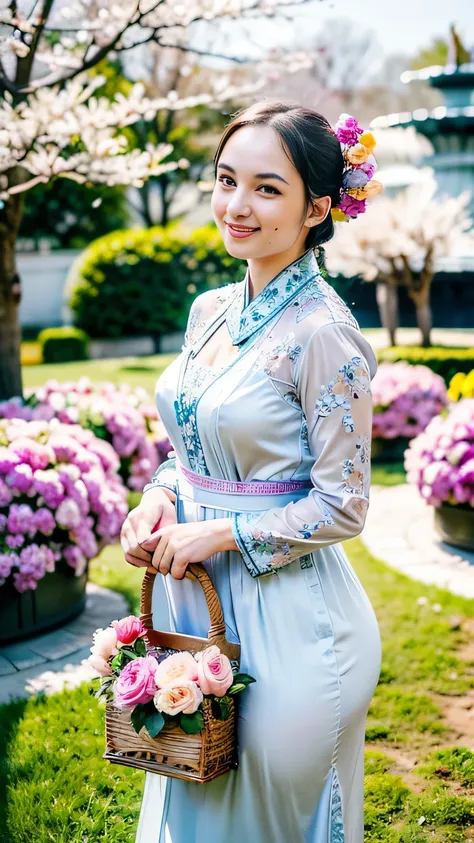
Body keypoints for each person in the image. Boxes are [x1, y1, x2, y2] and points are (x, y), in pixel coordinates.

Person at [121, 101, 382, 843]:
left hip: (295, 623)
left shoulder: (324, 333)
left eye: (268, 188)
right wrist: (161, 497)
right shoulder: (208, 309)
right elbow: (191, 446)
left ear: (318, 209)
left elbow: (344, 506)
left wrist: (221, 534)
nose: (237, 205)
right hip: (195, 612)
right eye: (227, 178)